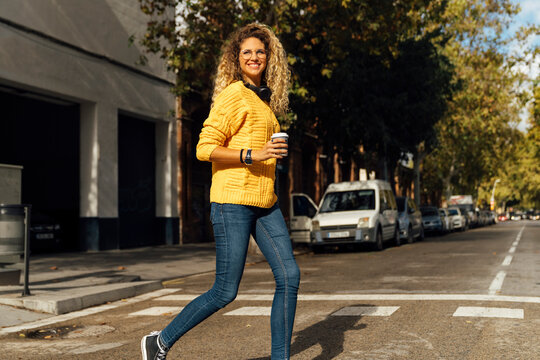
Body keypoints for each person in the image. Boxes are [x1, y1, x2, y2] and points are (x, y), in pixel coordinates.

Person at [141, 23, 300, 360]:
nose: (254, 57)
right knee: (225, 290)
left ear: (269, 57)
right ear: (236, 59)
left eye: (260, 51)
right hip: (232, 201)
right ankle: (160, 341)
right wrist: (252, 154)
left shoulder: (266, 101)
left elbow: (259, 146)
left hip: (264, 200)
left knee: (290, 276)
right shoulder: (233, 95)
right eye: (247, 52)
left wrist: (271, 153)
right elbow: (204, 147)